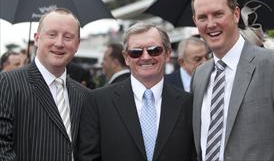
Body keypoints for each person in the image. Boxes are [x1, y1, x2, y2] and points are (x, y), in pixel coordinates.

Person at [191, 0, 274, 161]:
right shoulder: (199, 76)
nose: (210, 24)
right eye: (203, 17)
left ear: (235, 14)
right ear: (195, 21)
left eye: (218, 14)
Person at [78, 22, 196, 161]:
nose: (145, 57)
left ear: (167, 54)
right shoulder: (98, 101)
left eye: (154, 50)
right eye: (136, 52)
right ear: (126, 57)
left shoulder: (188, 103)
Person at [0, 8, 90, 161]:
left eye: (68, 37)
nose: (59, 43)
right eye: (52, 34)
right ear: (36, 38)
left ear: (77, 45)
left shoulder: (84, 95)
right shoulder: (7, 82)